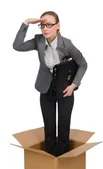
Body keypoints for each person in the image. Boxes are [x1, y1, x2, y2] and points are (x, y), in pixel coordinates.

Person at [13, 11, 88, 157]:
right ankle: (50, 160)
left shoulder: (67, 44)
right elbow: (17, 46)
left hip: (65, 88)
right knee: (49, 127)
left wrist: (74, 85)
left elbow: (83, 64)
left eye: (49, 25)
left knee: (64, 127)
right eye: (42, 25)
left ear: (57, 26)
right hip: (45, 87)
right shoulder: (39, 41)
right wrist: (26, 23)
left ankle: (64, 160)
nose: (45, 28)